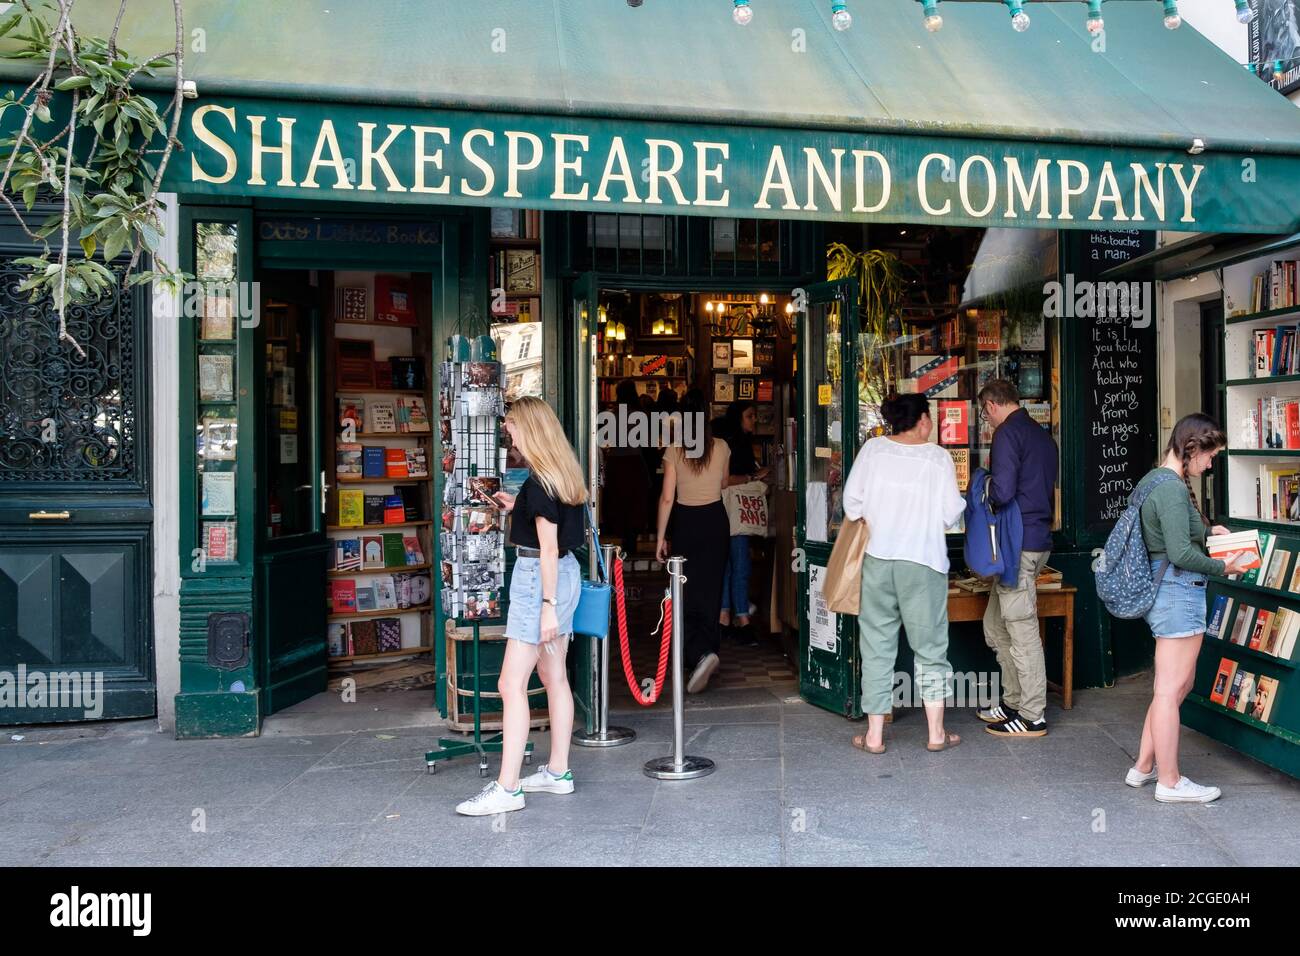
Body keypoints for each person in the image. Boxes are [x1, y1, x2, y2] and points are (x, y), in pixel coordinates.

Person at [455, 397, 586, 816]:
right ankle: (558, 772)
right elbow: (552, 529)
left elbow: (546, 547)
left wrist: (546, 606)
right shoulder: (560, 475)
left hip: (539, 581)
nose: (508, 432)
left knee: (510, 685)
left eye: (511, 425)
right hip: (565, 575)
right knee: (554, 676)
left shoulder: (539, 482)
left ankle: (508, 788)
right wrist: (516, 508)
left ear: (529, 427)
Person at [1127, 414, 1249, 804]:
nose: (1210, 464)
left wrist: (1209, 531)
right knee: (1169, 690)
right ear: (1192, 448)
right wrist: (1223, 566)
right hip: (1178, 592)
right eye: (1210, 456)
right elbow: (1179, 552)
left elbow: (1171, 534)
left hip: (1169, 591)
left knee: (1175, 686)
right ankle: (1171, 781)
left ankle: (1144, 766)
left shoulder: (1154, 480)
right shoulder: (1173, 490)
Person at [843, 393, 966, 754]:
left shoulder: (873, 451)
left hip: (878, 559)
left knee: (877, 647)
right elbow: (949, 514)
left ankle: (875, 737)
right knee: (930, 649)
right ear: (923, 420)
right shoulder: (937, 458)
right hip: (922, 562)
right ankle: (936, 734)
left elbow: (852, 504)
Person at [975, 379, 1060, 738]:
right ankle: (1013, 701)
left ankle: (1031, 714)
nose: (985, 421)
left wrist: (981, 486)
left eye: (984, 414)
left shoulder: (1007, 434)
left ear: (992, 406)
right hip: (1038, 541)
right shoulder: (1041, 435)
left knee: (1022, 631)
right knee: (996, 626)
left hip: (1016, 544)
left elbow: (1004, 490)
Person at [656, 394, 730, 693]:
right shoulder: (723, 446)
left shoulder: (674, 449)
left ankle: (696, 654)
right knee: (711, 590)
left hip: (686, 521)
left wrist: (661, 537)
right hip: (715, 520)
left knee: (685, 591)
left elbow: (667, 497)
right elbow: (724, 483)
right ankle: (709, 651)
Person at [719, 400, 770, 647]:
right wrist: (752, 476)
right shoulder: (736, 444)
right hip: (734, 511)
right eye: (750, 416)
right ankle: (742, 619)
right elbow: (726, 480)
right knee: (740, 566)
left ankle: (725, 617)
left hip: (723, 512)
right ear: (739, 418)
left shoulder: (725, 441)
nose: (754, 420)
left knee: (729, 565)